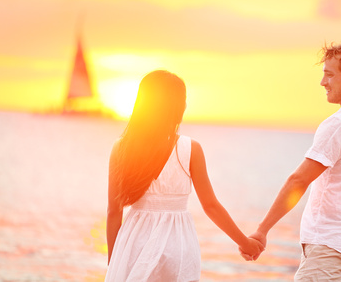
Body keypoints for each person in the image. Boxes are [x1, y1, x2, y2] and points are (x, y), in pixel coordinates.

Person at [241, 41, 341, 281]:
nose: (322, 82)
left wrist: (262, 230)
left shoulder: (340, 123)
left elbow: (298, 181)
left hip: (331, 251)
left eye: (329, 75)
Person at [105, 70, 263, 282]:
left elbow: (114, 212)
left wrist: (113, 262)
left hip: (134, 243)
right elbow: (211, 206)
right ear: (177, 107)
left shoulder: (122, 148)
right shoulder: (190, 149)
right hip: (177, 244)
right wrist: (245, 243)